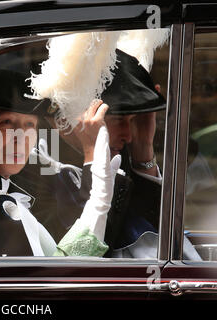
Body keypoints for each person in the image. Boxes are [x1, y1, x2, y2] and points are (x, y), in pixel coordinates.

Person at [0, 69, 120, 257]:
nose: (21, 136)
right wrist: (99, 201)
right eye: (7, 122)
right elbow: (54, 279)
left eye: (29, 125)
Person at [13, 49, 166, 257]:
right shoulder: (23, 163)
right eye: (119, 120)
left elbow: (158, 230)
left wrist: (144, 154)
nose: (128, 136)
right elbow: (79, 253)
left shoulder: (119, 150)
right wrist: (93, 157)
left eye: (131, 121)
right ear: (74, 115)